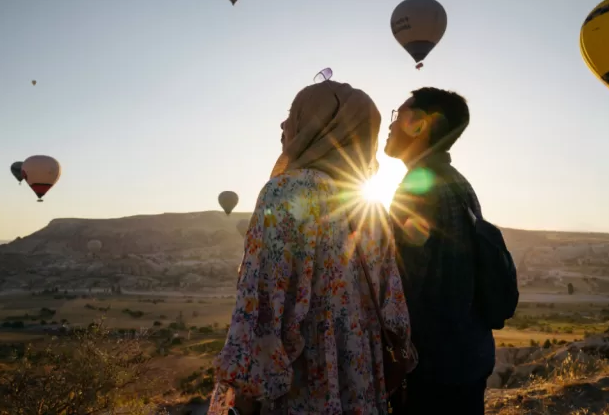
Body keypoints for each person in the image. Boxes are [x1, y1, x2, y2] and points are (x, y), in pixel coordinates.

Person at [208, 80, 415, 415]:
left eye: (295, 114)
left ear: (324, 125)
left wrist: (246, 391)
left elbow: (262, 304)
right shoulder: (372, 206)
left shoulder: (287, 191)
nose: (283, 124)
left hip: (304, 379)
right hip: (361, 378)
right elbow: (394, 308)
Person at [384, 87, 495, 414]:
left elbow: (401, 285)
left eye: (398, 116)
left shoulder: (419, 187)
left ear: (419, 124)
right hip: (467, 357)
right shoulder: (458, 183)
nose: (390, 125)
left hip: (433, 369)